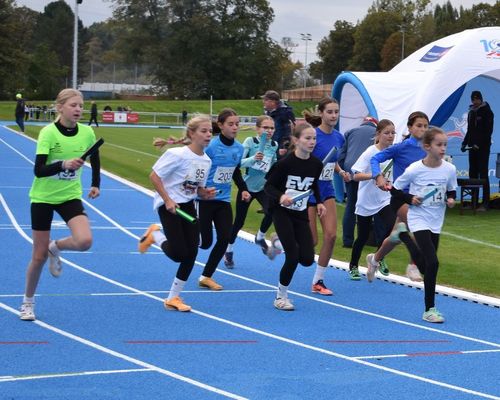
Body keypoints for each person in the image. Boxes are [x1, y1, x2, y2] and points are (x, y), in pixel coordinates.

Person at [20, 88, 101, 321]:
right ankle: (27, 302)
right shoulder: (48, 133)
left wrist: (96, 183)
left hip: (69, 196)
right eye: (73, 105)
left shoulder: (86, 132)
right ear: (60, 107)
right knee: (38, 256)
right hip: (43, 198)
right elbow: (39, 170)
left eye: (81, 106)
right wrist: (63, 164)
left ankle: (56, 247)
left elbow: (94, 156)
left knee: (85, 241)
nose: (78, 110)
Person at [138, 115, 215, 312]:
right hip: (169, 206)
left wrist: (204, 193)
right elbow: (154, 177)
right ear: (192, 134)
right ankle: (155, 234)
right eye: (203, 131)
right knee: (180, 254)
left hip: (187, 206)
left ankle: (173, 298)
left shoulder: (206, 160)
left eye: (210, 131)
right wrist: (168, 200)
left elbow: (196, 188)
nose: (208, 135)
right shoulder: (177, 154)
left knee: (192, 252)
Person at [385, 127, 457, 323]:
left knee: (426, 267)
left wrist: (451, 200)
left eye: (445, 145)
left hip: (436, 220)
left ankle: (403, 236)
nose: (443, 149)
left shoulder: (449, 169)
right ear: (427, 146)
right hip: (419, 219)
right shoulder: (415, 169)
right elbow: (395, 190)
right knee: (433, 263)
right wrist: (410, 198)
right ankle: (429, 310)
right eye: (439, 145)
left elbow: (451, 190)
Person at [264, 123, 326, 310]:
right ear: (296, 140)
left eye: (314, 138)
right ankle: (281, 297)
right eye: (307, 138)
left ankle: (277, 242)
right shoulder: (284, 164)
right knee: (292, 256)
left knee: (306, 259)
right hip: (281, 211)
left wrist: (320, 202)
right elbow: (268, 187)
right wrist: (281, 196)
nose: (312, 142)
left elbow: (313, 185)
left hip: (300, 214)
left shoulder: (316, 164)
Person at [367, 111, 429, 282]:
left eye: (425, 126)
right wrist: (377, 176)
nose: (422, 129)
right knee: (419, 226)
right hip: (401, 197)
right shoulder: (401, 147)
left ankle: (375, 259)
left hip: (419, 199)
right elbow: (375, 159)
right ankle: (413, 266)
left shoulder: (428, 148)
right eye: (418, 125)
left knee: (395, 237)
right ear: (410, 127)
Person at [197, 108, 251, 290]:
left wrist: (243, 189)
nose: (235, 127)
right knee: (205, 243)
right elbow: (200, 168)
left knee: (224, 238)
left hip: (223, 200)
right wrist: (201, 189)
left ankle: (206, 276)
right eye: (231, 124)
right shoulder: (211, 147)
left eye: (237, 124)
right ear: (220, 126)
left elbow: (235, 170)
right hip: (205, 200)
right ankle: (186, 231)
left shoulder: (239, 148)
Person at [303, 97, 347, 296]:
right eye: (329, 112)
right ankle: (282, 238)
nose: (334, 116)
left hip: (326, 190)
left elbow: (332, 161)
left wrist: (340, 171)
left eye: (336, 112)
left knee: (331, 235)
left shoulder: (339, 138)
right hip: (309, 191)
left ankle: (318, 280)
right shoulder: (313, 136)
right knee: (310, 241)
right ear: (321, 113)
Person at [224, 116, 278, 268]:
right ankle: (228, 250)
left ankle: (260, 237)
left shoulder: (274, 144)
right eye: (265, 128)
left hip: (263, 187)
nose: (268, 131)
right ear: (257, 129)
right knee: (239, 222)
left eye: (271, 128)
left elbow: (272, 165)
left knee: (272, 212)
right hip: (246, 188)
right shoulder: (250, 142)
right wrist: (253, 159)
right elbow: (238, 163)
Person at [348, 120, 396, 280]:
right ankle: (353, 266)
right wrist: (374, 175)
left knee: (391, 228)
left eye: (392, 133)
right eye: (387, 133)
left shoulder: (393, 152)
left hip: (385, 199)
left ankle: (378, 257)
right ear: (378, 135)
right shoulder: (370, 152)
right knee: (362, 236)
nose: (390, 136)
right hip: (366, 201)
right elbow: (355, 175)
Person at [337, 116, 378, 248]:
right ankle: (369, 239)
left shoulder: (351, 131)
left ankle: (347, 240)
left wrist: (344, 172)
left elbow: (342, 155)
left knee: (351, 206)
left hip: (350, 171)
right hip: (367, 174)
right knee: (370, 207)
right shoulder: (378, 133)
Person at [461, 90, 494, 210]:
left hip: (483, 148)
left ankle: (485, 203)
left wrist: (479, 145)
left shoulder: (487, 112)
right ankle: (473, 201)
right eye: (473, 99)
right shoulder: (471, 112)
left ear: (480, 99)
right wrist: (464, 143)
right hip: (472, 147)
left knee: (483, 174)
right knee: (472, 173)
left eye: (476, 99)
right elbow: (469, 130)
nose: (474, 102)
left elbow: (488, 131)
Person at [262, 90, 296, 158]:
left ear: (272, 102)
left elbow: (289, 131)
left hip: (280, 149)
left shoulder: (285, 113)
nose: (263, 102)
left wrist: (284, 147)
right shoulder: (268, 112)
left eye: (265, 100)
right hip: (269, 147)